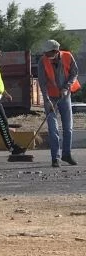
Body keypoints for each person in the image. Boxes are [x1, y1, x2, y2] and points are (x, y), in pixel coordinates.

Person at [38, 39, 80, 167]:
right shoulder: (42, 61)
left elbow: (74, 73)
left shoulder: (67, 56)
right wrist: (47, 100)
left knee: (68, 128)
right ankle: (55, 158)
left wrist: (66, 87)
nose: (46, 55)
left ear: (56, 51)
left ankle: (66, 154)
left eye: (48, 53)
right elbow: (42, 83)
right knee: (53, 129)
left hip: (65, 97)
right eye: (45, 53)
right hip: (51, 98)